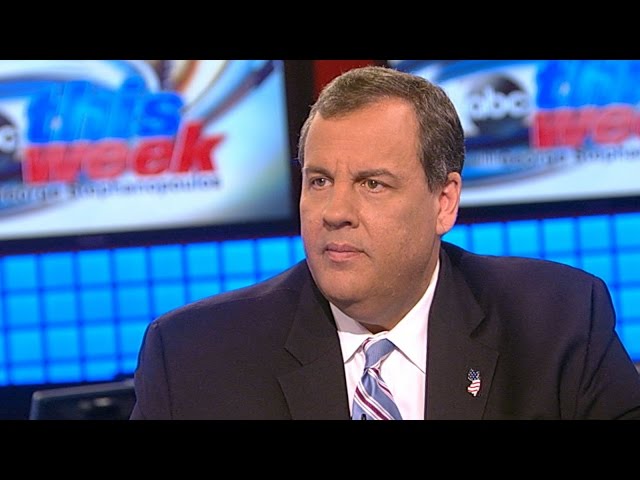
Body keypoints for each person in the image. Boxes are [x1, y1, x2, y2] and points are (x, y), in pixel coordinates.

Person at [130, 65, 640, 420]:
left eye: (372, 184)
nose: (335, 213)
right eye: (319, 181)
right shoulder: (195, 357)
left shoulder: (557, 322)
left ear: (444, 201)